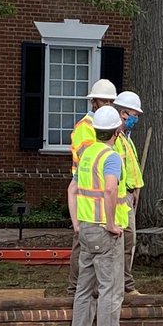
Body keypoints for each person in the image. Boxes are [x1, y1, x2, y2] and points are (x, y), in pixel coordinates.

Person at [71, 105, 137, 326]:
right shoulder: (111, 157)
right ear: (116, 130)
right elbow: (111, 190)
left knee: (84, 289)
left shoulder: (87, 154)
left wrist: (77, 223)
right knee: (111, 290)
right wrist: (111, 224)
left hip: (86, 228)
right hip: (104, 231)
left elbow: (72, 189)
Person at [66, 79, 117, 296]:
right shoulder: (85, 128)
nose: (107, 104)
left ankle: (82, 290)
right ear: (93, 101)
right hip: (86, 191)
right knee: (82, 244)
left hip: (92, 190)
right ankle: (74, 288)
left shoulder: (106, 125)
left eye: (110, 101)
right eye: (103, 100)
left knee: (87, 246)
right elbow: (91, 158)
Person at [113, 90, 145, 297]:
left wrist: (136, 190)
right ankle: (124, 284)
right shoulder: (115, 138)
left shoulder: (125, 138)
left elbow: (131, 169)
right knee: (124, 243)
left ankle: (125, 283)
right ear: (123, 113)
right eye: (134, 115)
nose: (136, 119)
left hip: (128, 195)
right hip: (120, 197)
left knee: (128, 243)